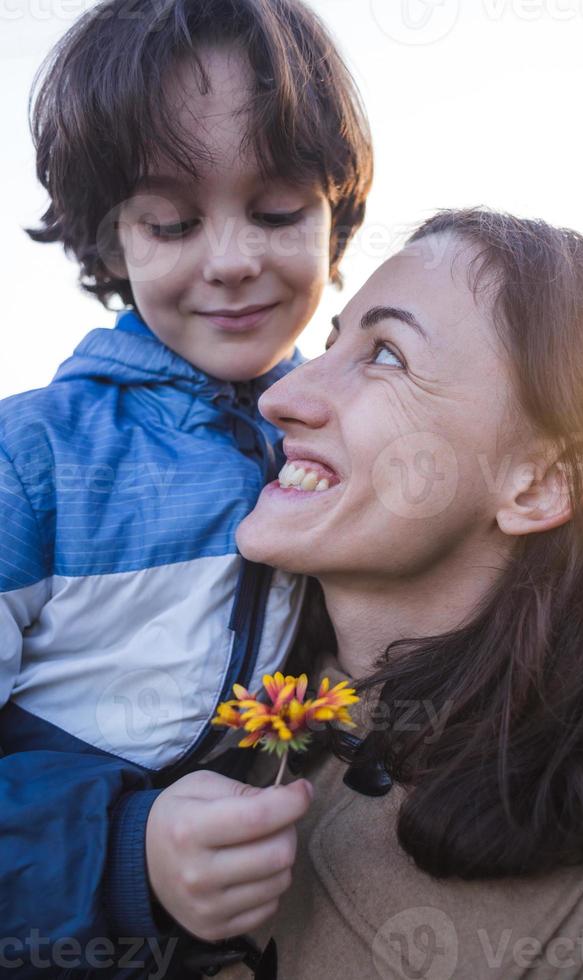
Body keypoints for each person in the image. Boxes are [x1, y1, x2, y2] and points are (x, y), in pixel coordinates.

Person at [0, 0, 372, 974]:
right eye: (171, 219)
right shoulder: (32, 457)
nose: (234, 259)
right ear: (113, 240)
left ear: (335, 215)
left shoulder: (339, 430)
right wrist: (129, 855)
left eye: (279, 209)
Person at [234, 208, 583, 979]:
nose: (282, 396)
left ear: (537, 484)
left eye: (386, 355)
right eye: (331, 341)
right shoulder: (214, 700)